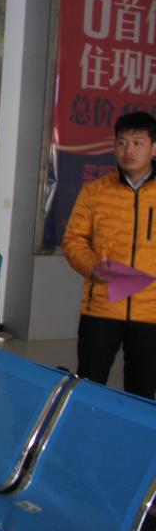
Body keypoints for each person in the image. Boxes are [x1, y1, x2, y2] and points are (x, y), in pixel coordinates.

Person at [63, 111, 156, 399]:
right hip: (101, 309)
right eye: (122, 142)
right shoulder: (94, 192)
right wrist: (93, 267)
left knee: (142, 394)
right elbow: (73, 240)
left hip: (151, 313)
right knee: (88, 387)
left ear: (154, 148)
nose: (129, 150)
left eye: (138, 143)